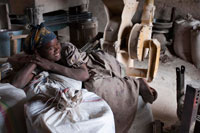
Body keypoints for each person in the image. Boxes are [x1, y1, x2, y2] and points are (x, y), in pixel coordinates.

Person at [8, 23, 157, 133]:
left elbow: (84, 74)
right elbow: (17, 83)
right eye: (51, 48)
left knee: (94, 85)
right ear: (38, 51)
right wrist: (36, 60)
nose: (57, 49)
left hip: (92, 64)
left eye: (57, 43)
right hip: (59, 64)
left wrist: (51, 66)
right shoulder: (38, 59)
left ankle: (136, 83)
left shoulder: (66, 49)